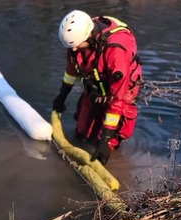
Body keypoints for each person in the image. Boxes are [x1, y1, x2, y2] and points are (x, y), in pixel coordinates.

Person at [51, 10, 143, 165]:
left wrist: (106, 140)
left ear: (89, 35)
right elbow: (72, 69)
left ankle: (110, 159)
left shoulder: (115, 51)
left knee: (108, 143)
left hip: (121, 90)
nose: (73, 50)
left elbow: (117, 100)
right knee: (82, 134)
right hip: (96, 84)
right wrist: (62, 95)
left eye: (76, 46)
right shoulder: (77, 42)